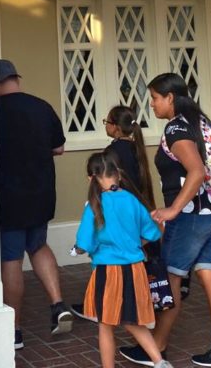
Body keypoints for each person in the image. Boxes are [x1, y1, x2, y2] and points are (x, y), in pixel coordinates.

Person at [120, 73, 211, 368]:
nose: (152, 105)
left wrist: (172, 210)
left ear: (170, 97)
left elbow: (196, 171)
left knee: (171, 278)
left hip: (190, 216)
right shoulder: (200, 120)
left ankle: (155, 346)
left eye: (155, 98)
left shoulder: (176, 128)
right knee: (210, 278)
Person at [0, 58, 73, 349]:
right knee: (38, 245)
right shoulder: (42, 106)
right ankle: (57, 304)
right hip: (40, 192)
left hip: (9, 196)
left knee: (11, 258)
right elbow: (59, 147)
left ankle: (13, 330)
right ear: (16, 78)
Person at [75, 151, 172, 368]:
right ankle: (159, 361)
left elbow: (84, 243)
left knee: (105, 324)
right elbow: (153, 233)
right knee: (132, 320)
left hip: (107, 271)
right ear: (117, 175)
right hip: (135, 268)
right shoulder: (131, 200)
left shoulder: (94, 204)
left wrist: (79, 249)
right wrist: (133, 244)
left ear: (91, 178)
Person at [74, 105, 157, 323]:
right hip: (133, 213)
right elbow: (151, 231)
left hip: (115, 217)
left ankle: (109, 307)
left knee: (114, 275)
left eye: (107, 122)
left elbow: (85, 239)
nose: (106, 127)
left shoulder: (112, 153)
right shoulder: (135, 148)